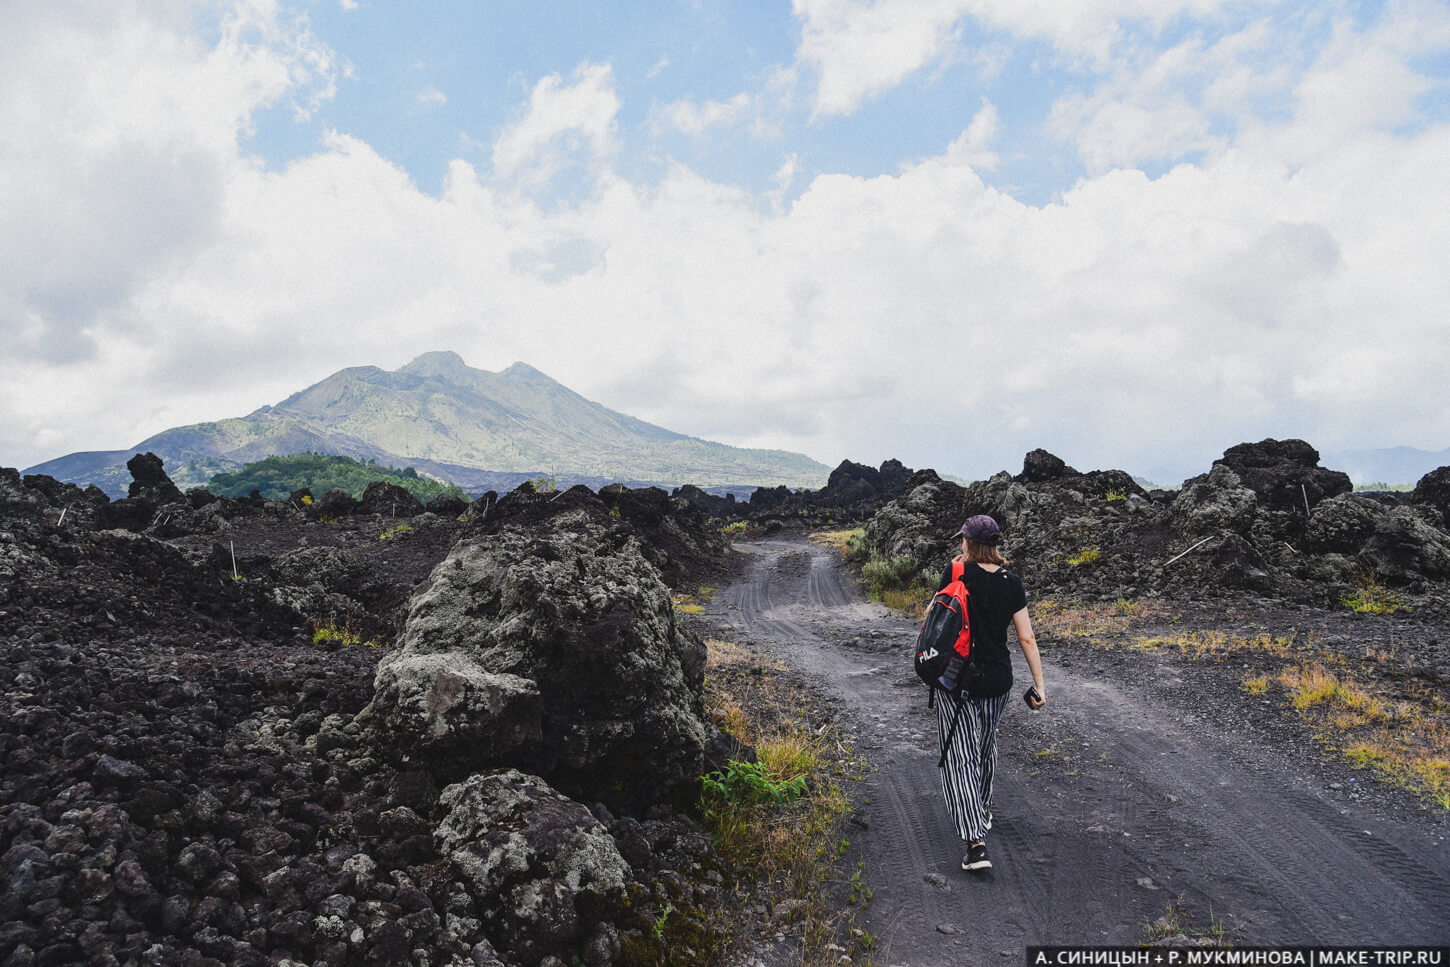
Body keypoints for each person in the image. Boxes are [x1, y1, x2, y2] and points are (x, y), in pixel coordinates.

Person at [934, 514, 1046, 873]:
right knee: (986, 743)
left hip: (957, 678)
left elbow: (934, 620)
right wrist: (1040, 685)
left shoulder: (956, 574)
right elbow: (1026, 637)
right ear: (996, 545)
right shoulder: (1012, 583)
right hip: (998, 679)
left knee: (959, 755)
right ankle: (981, 809)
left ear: (967, 543)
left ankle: (975, 843)